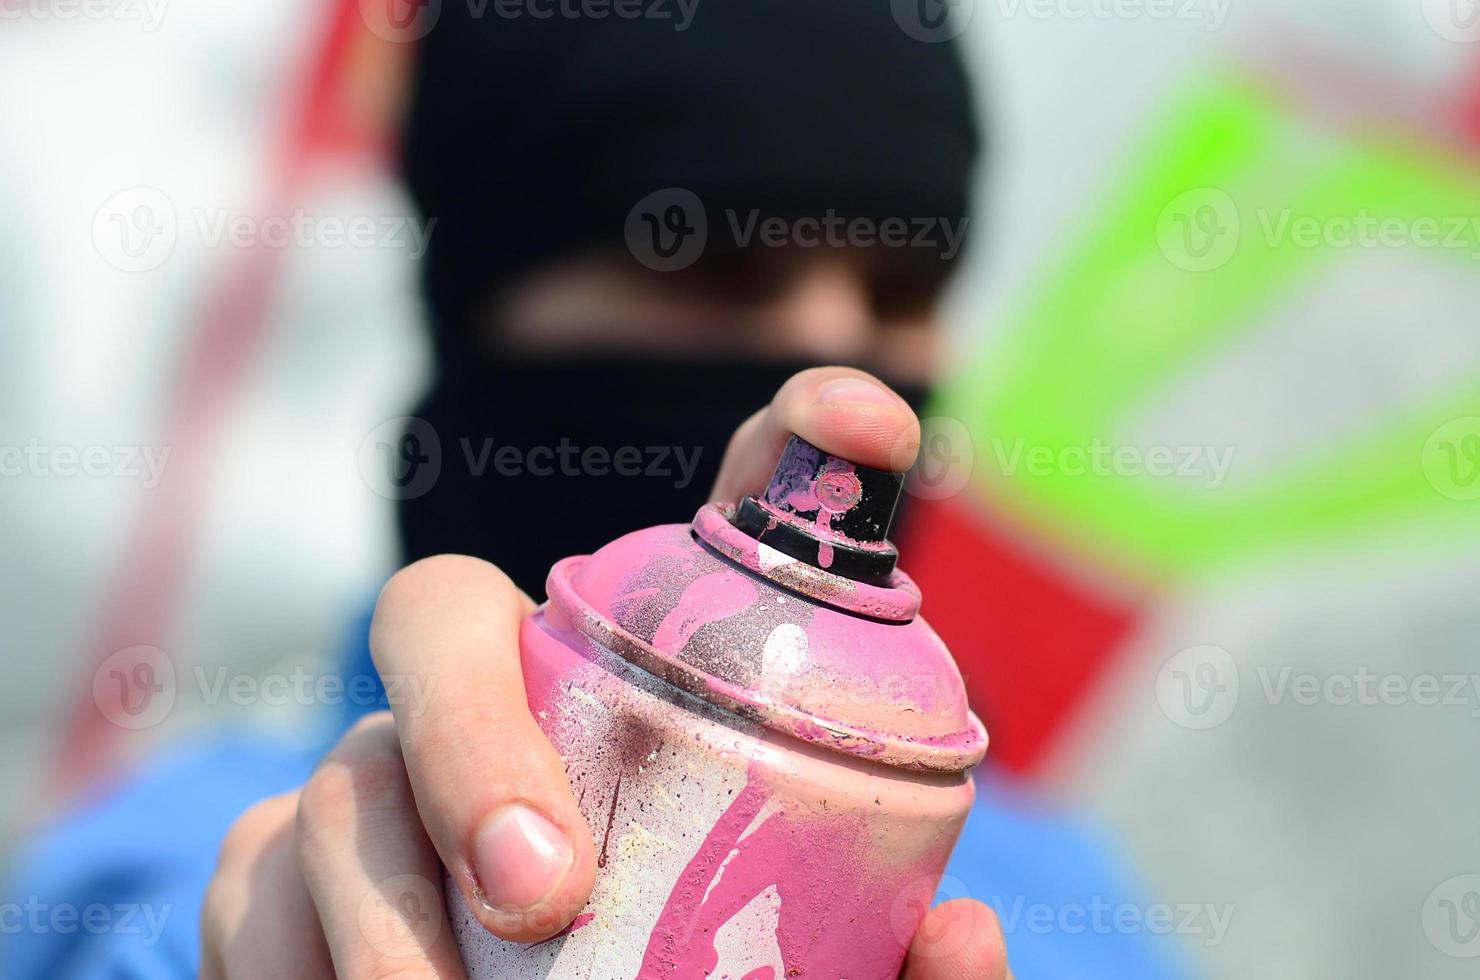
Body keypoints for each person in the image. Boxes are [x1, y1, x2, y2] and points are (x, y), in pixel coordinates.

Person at [3, 2, 1181, 977]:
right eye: (723, 267)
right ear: (488, 303)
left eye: (902, 289)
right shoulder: (166, 878)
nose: (835, 362)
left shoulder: (1076, 907)